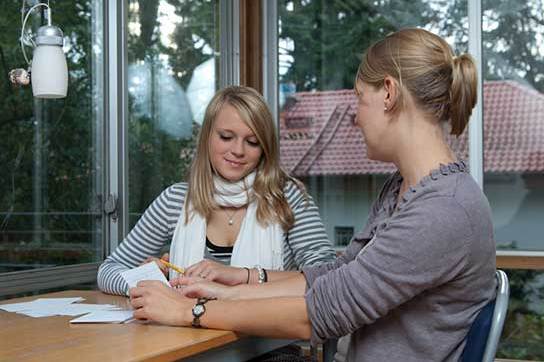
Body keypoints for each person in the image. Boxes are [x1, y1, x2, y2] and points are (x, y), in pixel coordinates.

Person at [128, 28, 496, 361]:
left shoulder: (443, 209)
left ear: (388, 93)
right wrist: (237, 281)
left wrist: (186, 311)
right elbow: (337, 275)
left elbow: (324, 311)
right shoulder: (402, 190)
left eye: (359, 98)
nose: (356, 116)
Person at [97, 85, 336, 296]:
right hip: (187, 340)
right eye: (226, 137)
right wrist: (149, 282)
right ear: (207, 137)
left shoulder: (286, 197)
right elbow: (108, 271)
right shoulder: (174, 201)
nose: (238, 150)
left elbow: (326, 276)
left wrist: (243, 275)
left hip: (270, 345)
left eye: (252, 142)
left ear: (265, 148)